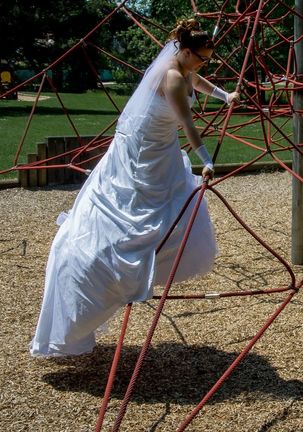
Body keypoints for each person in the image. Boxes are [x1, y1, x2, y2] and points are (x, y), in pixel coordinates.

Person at [30, 19, 240, 357]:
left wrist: (223, 94)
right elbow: (187, 123)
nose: (205, 63)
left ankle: (146, 258)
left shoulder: (183, 68)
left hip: (160, 148)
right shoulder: (171, 77)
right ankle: (117, 275)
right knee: (139, 212)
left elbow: (196, 80)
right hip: (148, 149)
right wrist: (206, 158)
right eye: (201, 57)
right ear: (185, 51)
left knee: (171, 207)